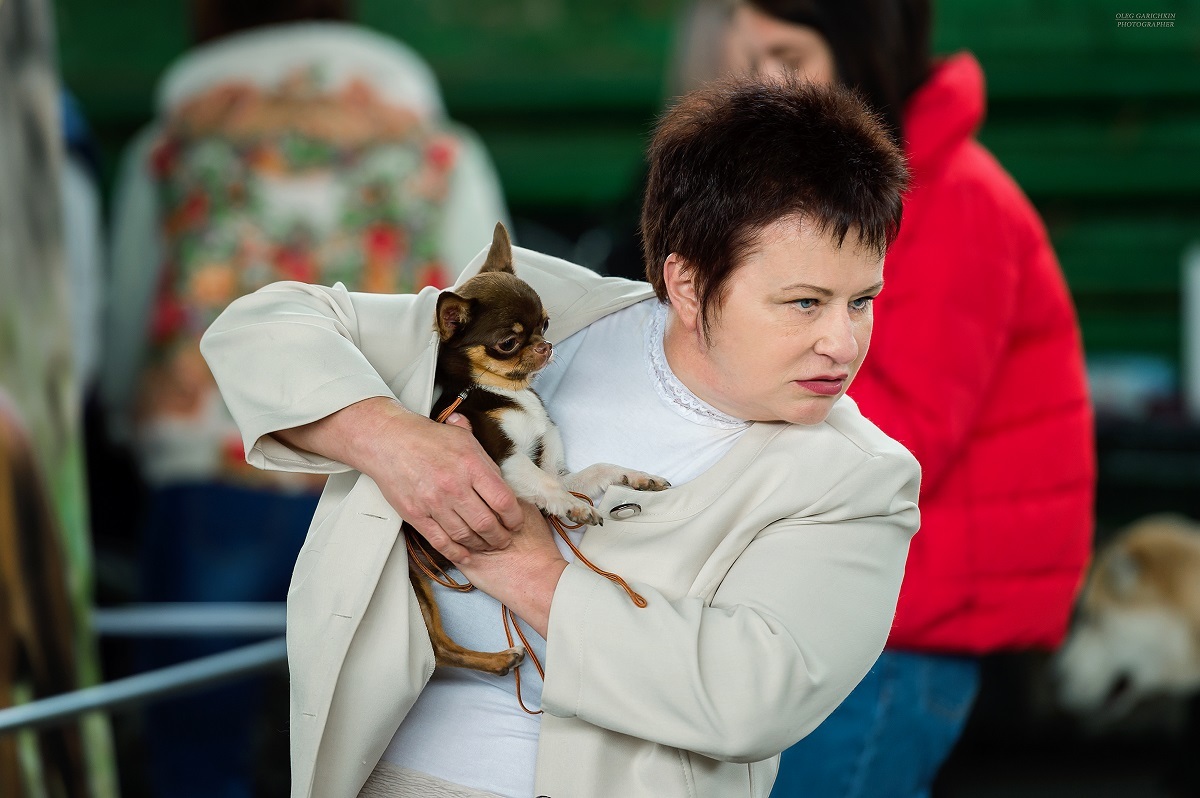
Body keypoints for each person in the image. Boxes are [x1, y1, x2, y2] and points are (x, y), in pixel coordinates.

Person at [200, 75, 918, 798]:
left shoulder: (857, 481)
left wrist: (523, 565)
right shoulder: (551, 323)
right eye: (805, 303)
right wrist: (390, 440)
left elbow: (748, 698)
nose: (842, 341)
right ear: (689, 282)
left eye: (862, 301)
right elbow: (261, 328)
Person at [100, 2, 509, 795]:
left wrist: (131, 427)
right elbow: (485, 305)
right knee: (387, 744)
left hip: (215, 467)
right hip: (394, 483)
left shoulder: (174, 149)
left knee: (194, 732)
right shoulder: (435, 146)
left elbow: (125, 313)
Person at [726, 2, 1096, 796]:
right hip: (850, 603)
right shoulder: (853, 191)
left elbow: (902, 442)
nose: (763, 82)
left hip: (897, 627)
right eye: (749, 54)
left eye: (788, 53)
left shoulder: (956, 201)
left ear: (863, 49)